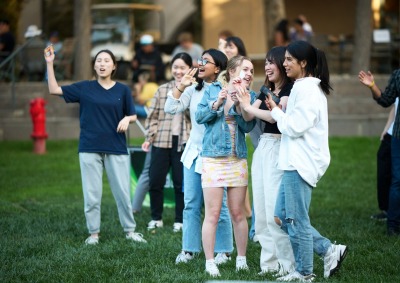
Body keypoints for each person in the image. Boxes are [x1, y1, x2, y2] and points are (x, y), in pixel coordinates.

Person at [44, 46, 147, 245]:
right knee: (92, 194)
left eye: (106, 61)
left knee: (123, 193)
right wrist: (49, 63)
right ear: (94, 65)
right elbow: (54, 89)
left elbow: (133, 114)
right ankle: (93, 234)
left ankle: (130, 231)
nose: (102, 64)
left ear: (114, 66)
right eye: (98, 61)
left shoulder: (123, 90)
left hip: (116, 147)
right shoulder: (84, 88)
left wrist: (128, 119)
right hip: (89, 147)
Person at [266, 40, 347, 281]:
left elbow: (296, 127)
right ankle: (328, 250)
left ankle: (304, 272)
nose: (284, 63)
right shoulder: (302, 87)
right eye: (285, 58)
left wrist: (276, 110)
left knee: (296, 219)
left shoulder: (309, 89)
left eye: (290, 59)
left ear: (304, 63)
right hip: (293, 160)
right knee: (282, 216)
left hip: (301, 162)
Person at [164, 48, 233, 269]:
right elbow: (170, 107)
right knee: (191, 204)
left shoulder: (225, 90)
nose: (200, 63)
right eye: (200, 59)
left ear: (218, 68)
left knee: (219, 207)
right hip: (193, 154)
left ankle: (224, 251)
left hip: (216, 155)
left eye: (207, 61)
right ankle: (189, 249)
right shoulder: (193, 89)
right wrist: (181, 85)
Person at [235, 46, 295, 276]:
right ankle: (268, 264)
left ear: (282, 65)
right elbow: (249, 116)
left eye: (272, 62)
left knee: (274, 210)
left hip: (280, 146)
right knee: (260, 209)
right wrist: (242, 101)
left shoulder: (290, 88)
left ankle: (285, 264)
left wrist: (249, 107)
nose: (267, 67)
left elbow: (274, 116)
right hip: (262, 148)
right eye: (266, 62)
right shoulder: (265, 90)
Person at [195, 55, 256, 277]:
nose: (249, 73)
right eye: (245, 69)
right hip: (213, 159)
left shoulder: (251, 95)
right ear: (232, 71)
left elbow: (247, 126)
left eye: (251, 70)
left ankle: (241, 259)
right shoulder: (212, 90)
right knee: (212, 213)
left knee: (238, 213)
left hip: (237, 159)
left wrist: (241, 103)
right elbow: (200, 116)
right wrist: (218, 103)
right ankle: (210, 262)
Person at [143, 52, 192, 233]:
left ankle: (180, 219)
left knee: (181, 183)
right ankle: (156, 218)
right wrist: (150, 136)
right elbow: (152, 116)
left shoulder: (194, 89)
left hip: (184, 142)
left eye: (182, 68)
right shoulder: (162, 89)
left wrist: (185, 90)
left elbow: (195, 117)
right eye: (175, 67)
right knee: (155, 180)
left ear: (190, 69)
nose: (178, 71)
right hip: (161, 141)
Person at [358, 69, 400, 236]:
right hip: (399, 136)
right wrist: (372, 86)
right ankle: (393, 225)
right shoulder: (398, 75)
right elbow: (385, 100)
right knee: (398, 181)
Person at [372, 100, 397, 221]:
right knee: (384, 171)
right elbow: (395, 106)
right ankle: (386, 209)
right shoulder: (397, 81)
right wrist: (386, 129)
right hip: (392, 133)